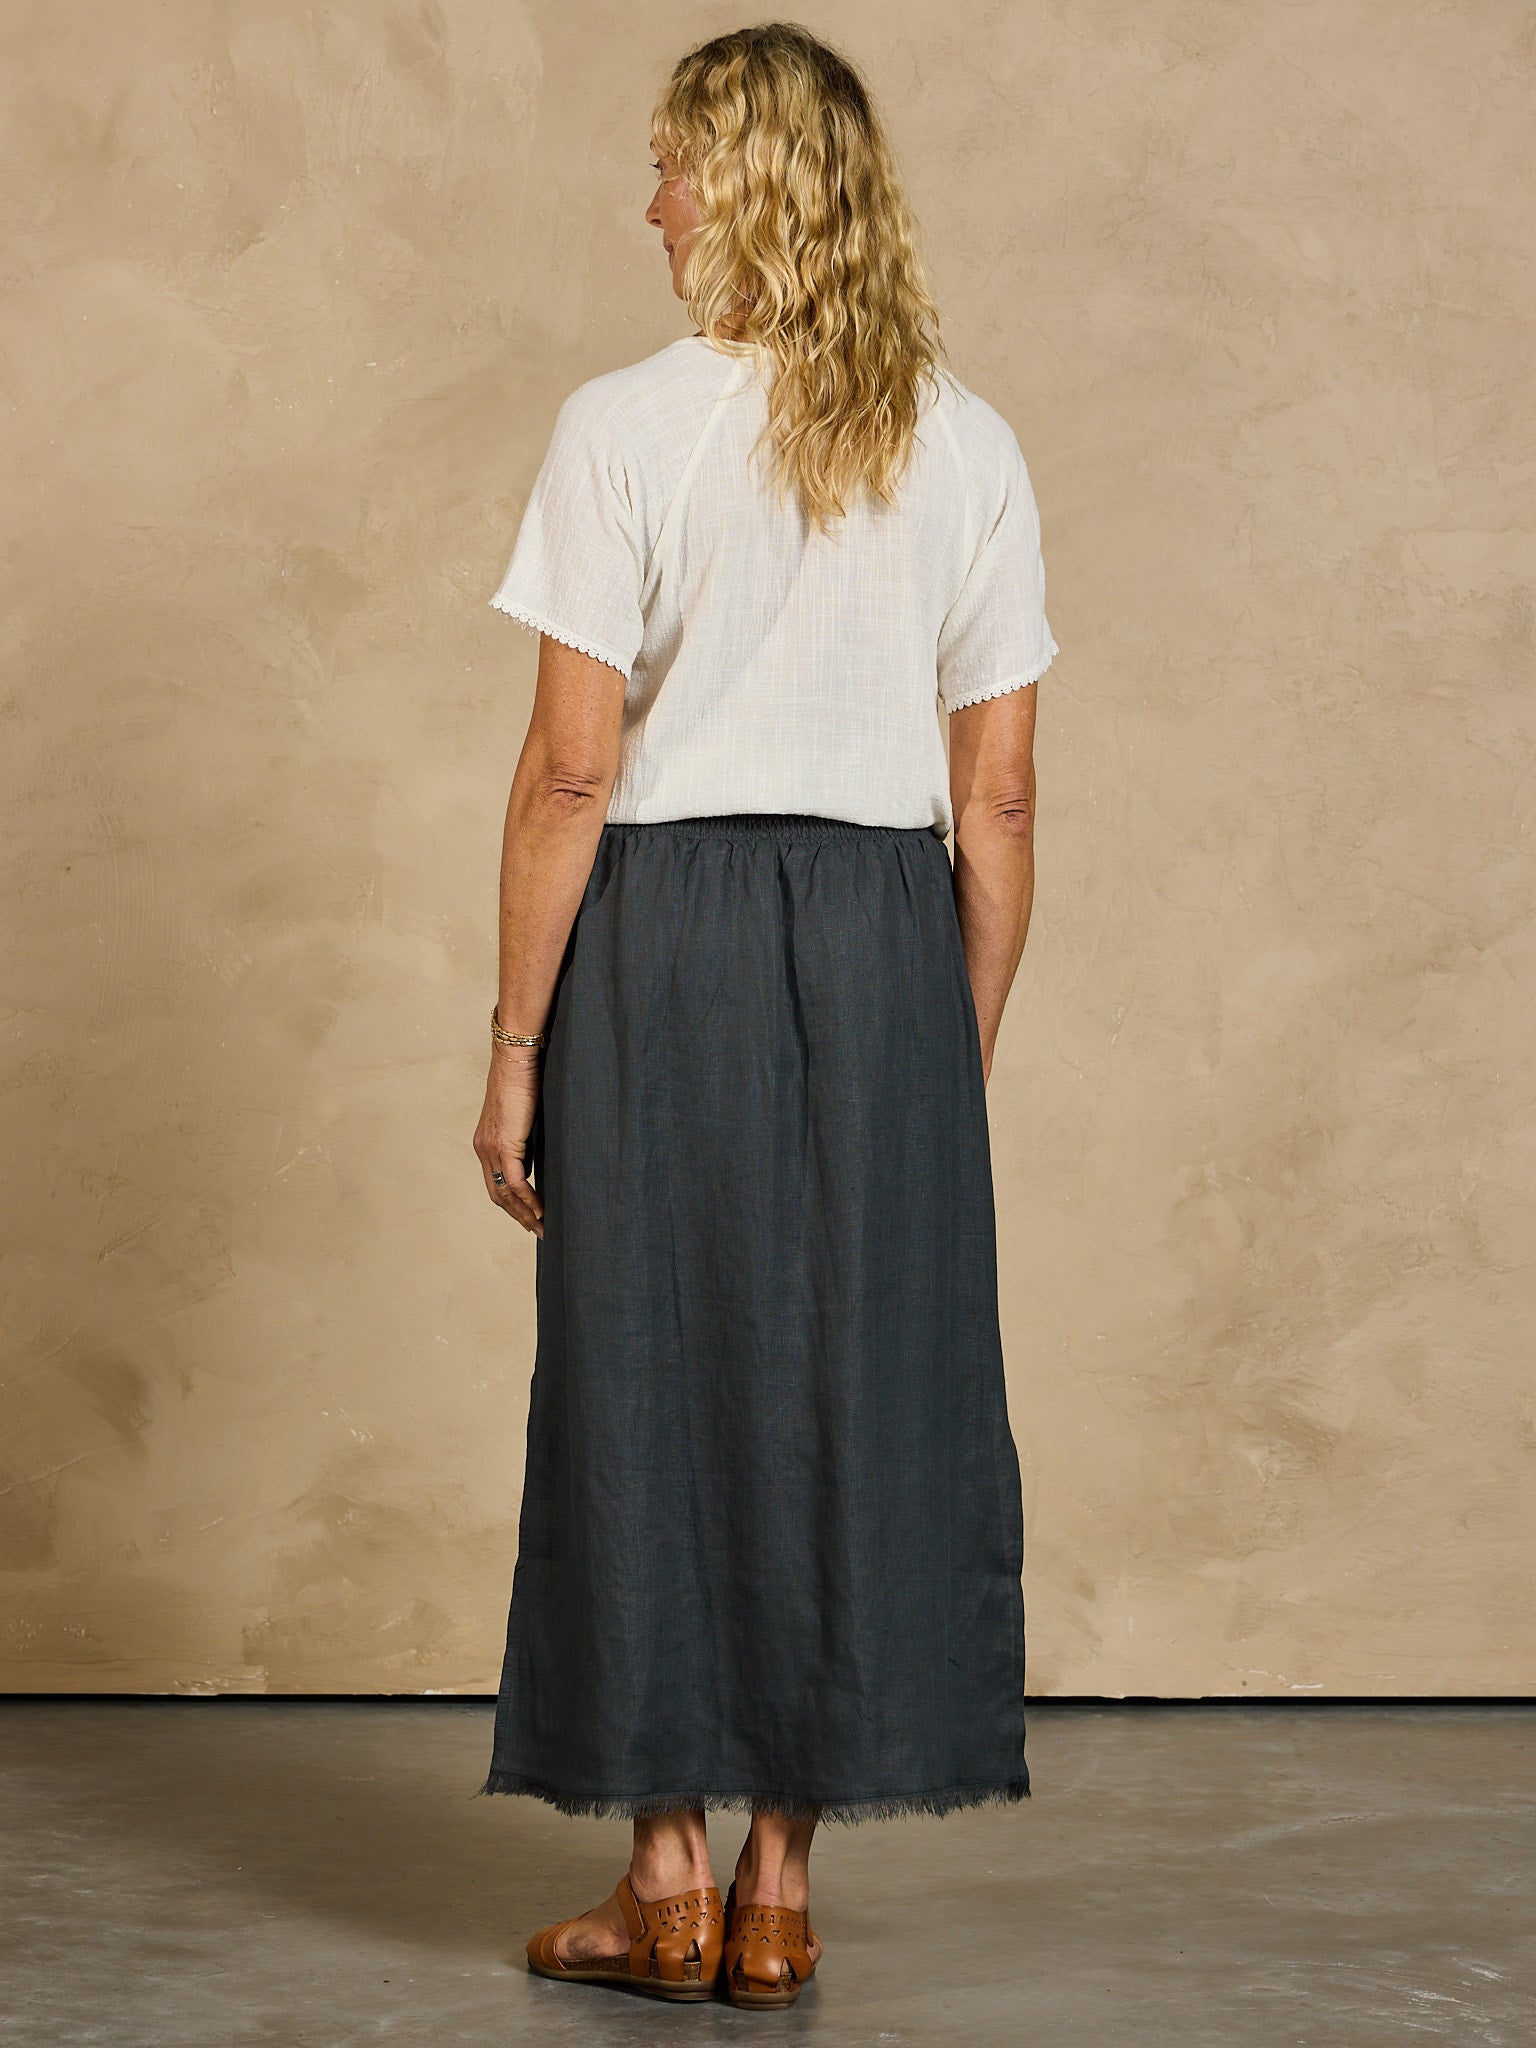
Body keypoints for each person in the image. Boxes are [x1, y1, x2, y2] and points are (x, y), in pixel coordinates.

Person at [471, 21, 1057, 2010]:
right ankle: (781, 1889)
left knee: (637, 1375)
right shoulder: (968, 444)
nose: (647, 205)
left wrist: (515, 1048)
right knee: (852, 1393)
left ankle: (665, 1880)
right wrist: (944, 1052)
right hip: (886, 933)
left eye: (669, 166)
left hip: (668, 936)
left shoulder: (622, 429)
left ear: (737, 189)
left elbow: (570, 773)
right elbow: (998, 803)